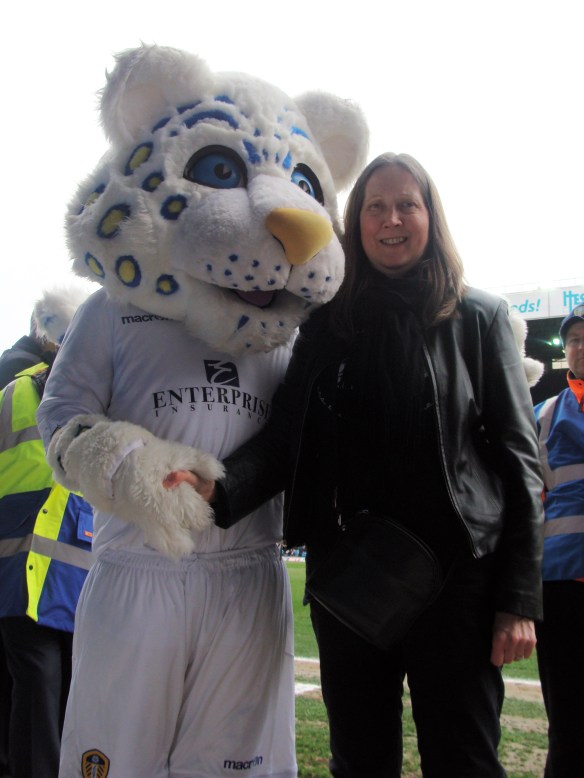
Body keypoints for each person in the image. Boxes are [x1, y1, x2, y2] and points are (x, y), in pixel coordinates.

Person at [185, 153, 546, 777]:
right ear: (355, 225)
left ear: (431, 215)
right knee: (359, 761)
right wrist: (216, 486)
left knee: (463, 761)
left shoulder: (479, 319)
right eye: (375, 207)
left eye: (407, 203)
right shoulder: (326, 323)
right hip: (350, 579)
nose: (392, 220)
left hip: (458, 582)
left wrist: (518, 598)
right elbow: (284, 439)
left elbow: (521, 462)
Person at [0, 287, 93, 778]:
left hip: (75, 581)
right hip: (25, 579)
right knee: (39, 699)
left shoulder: (104, 398)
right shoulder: (14, 394)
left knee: (62, 702)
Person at [534, 304, 584, 777]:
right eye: (574, 339)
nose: (581, 347)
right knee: (567, 725)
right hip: (562, 588)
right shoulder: (543, 415)